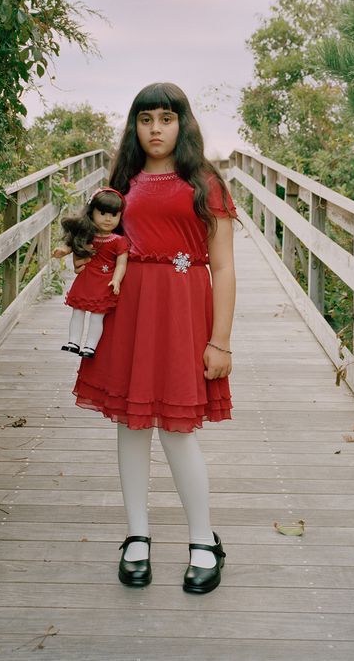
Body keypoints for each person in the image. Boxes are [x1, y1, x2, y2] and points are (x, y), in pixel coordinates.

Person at [71, 82, 236, 594]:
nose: (156, 129)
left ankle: (202, 539)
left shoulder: (204, 183)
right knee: (131, 424)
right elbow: (100, 242)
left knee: (178, 430)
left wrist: (221, 340)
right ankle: (137, 536)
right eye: (146, 120)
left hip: (184, 313)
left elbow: (225, 266)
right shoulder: (122, 182)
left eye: (166, 118)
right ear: (134, 126)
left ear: (182, 123)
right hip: (129, 313)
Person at [51, 188, 129, 358]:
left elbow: (121, 263)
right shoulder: (87, 234)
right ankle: (73, 341)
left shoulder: (119, 241)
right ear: (91, 212)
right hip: (86, 279)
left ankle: (90, 346)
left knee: (97, 316)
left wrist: (116, 280)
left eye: (114, 215)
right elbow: (71, 244)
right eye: (102, 213)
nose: (108, 219)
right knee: (78, 311)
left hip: (104, 282)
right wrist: (63, 251)